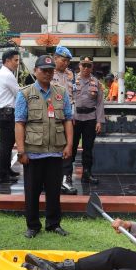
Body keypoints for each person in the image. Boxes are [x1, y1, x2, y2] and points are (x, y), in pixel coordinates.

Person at [15, 55, 74, 239]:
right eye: (44, 70)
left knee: (54, 191)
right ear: (35, 71)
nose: (48, 74)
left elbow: (67, 120)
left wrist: (69, 145)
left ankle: (53, 224)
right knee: (32, 191)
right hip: (33, 152)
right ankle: (33, 225)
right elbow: (19, 123)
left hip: (55, 151)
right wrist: (21, 151)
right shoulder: (25, 94)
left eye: (50, 71)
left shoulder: (61, 93)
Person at [62, 56, 105, 187]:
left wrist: (99, 121)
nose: (86, 68)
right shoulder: (72, 80)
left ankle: (87, 174)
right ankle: (67, 175)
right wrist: (67, 118)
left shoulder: (96, 82)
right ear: (79, 66)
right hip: (74, 119)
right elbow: (66, 99)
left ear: (92, 67)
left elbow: (100, 103)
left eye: (89, 65)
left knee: (88, 148)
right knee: (71, 147)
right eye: (83, 65)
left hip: (90, 119)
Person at [52, 45, 78, 195]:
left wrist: (72, 115)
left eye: (68, 61)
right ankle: (49, 180)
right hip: (51, 116)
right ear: (55, 58)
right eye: (63, 60)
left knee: (68, 147)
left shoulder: (70, 75)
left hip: (66, 117)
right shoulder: (48, 72)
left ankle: (66, 179)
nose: (66, 63)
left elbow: (72, 97)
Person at [0, 49, 21, 184]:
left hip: (4, 113)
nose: (18, 63)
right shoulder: (7, 75)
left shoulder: (4, 73)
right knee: (6, 145)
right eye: (15, 60)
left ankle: (6, 169)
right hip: (7, 113)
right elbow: (18, 93)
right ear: (7, 61)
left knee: (8, 144)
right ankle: (2, 174)